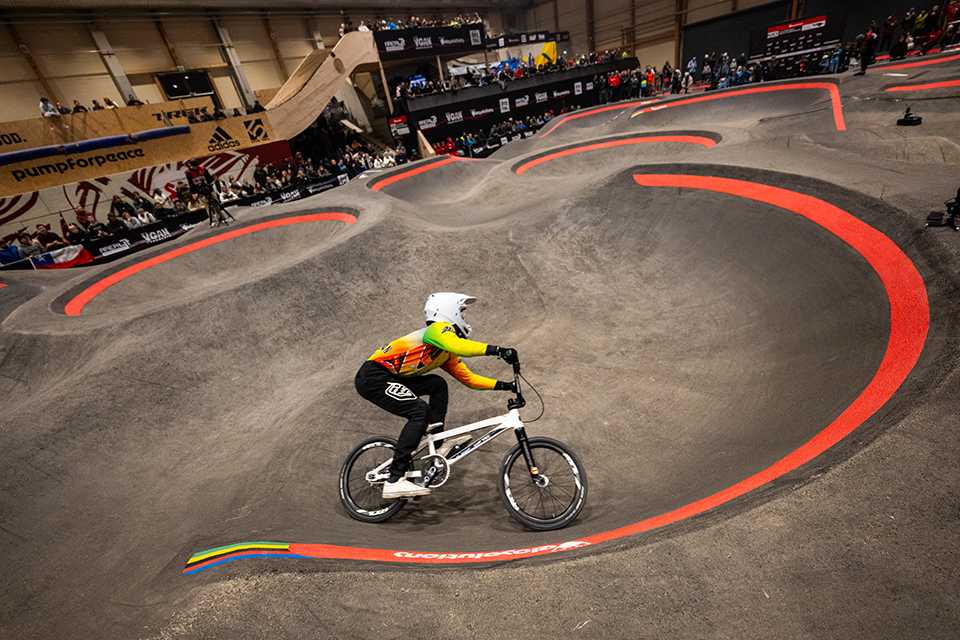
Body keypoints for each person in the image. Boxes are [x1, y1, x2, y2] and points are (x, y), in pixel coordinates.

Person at [355, 292, 519, 499]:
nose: (464, 318)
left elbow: (469, 379)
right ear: (448, 311)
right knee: (419, 411)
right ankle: (394, 480)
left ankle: (438, 445)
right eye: (461, 312)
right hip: (373, 376)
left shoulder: (444, 352)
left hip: (391, 377)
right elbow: (460, 346)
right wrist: (498, 350)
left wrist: (504, 385)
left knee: (437, 384)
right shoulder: (437, 330)